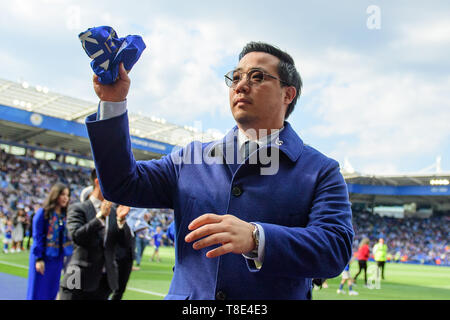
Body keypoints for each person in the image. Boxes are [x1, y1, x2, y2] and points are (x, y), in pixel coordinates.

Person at [85, 41, 354, 299]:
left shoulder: (321, 171)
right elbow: (121, 184)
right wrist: (112, 102)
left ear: (288, 93)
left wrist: (256, 238)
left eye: (257, 76)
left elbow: (335, 250)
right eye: (235, 77)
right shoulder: (191, 157)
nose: (241, 85)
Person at [59, 169, 133, 300]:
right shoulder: (78, 208)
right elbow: (77, 237)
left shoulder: (115, 212)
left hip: (104, 282)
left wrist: (121, 221)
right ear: (98, 182)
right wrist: (100, 218)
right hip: (77, 278)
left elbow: (125, 245)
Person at [26, 183, 73, 300]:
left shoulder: (64, 216)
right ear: (55, 195)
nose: (65, 198)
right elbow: (37, 237)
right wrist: (39, 259)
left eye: (67, 195)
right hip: (42, 258)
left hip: (57, 259)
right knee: (37, 291)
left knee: (52, 290)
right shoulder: (43, 213)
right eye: (62, 194)